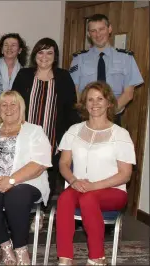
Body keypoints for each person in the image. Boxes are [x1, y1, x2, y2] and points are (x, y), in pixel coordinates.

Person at [56, 81, 135, 266]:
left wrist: (93, 186)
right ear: (84, 104)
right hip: (80, 186)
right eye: (90, 99)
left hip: (113, 191)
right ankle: (65, 258)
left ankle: (97, 257)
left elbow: (125, 175)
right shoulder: (74, 131)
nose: (95, 103)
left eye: (100, 99)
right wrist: (73, 180)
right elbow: (64, 163)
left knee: (88, 198)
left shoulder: (121, 134)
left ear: (109, 103)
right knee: (65, 198)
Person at [0, 90, 51, 265]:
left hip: (27, 182)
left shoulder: (35, 130)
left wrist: (12, 180)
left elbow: (40, 163)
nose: (8, 108)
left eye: (13, 104)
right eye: (3, 105)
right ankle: (5, 245)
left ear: (21, 108)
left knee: (16, 195)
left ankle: (21, 248)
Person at [12, 37, 78, 198]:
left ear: (55, 56)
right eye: (41, 52)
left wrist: (69, 139)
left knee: (48, 179)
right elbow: (13, 104)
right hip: (25, 136)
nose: (45, 56)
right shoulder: (24, 75)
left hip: (53, 139)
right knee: (22, 175)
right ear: (35, 55)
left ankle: (42, 213)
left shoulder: (63, 77)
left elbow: (71, 111)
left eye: (49, 53)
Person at [70, 14, 144, 125]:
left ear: (109, 29)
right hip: (86, 118)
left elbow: (128, 94)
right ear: (89, 34)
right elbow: (75, 92)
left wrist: (107, 114)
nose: (98, 34)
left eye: (101, 29)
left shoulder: (126, 58)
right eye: (93, 31)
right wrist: (89, 112)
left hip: (113, 117)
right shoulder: (79, 59)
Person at [0, 33, 28, 122]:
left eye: (13, 45)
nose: (9, 48)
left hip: (16, 119)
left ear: (19, 50)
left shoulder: (24, 73)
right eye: (6, 45)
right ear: (1, 49)